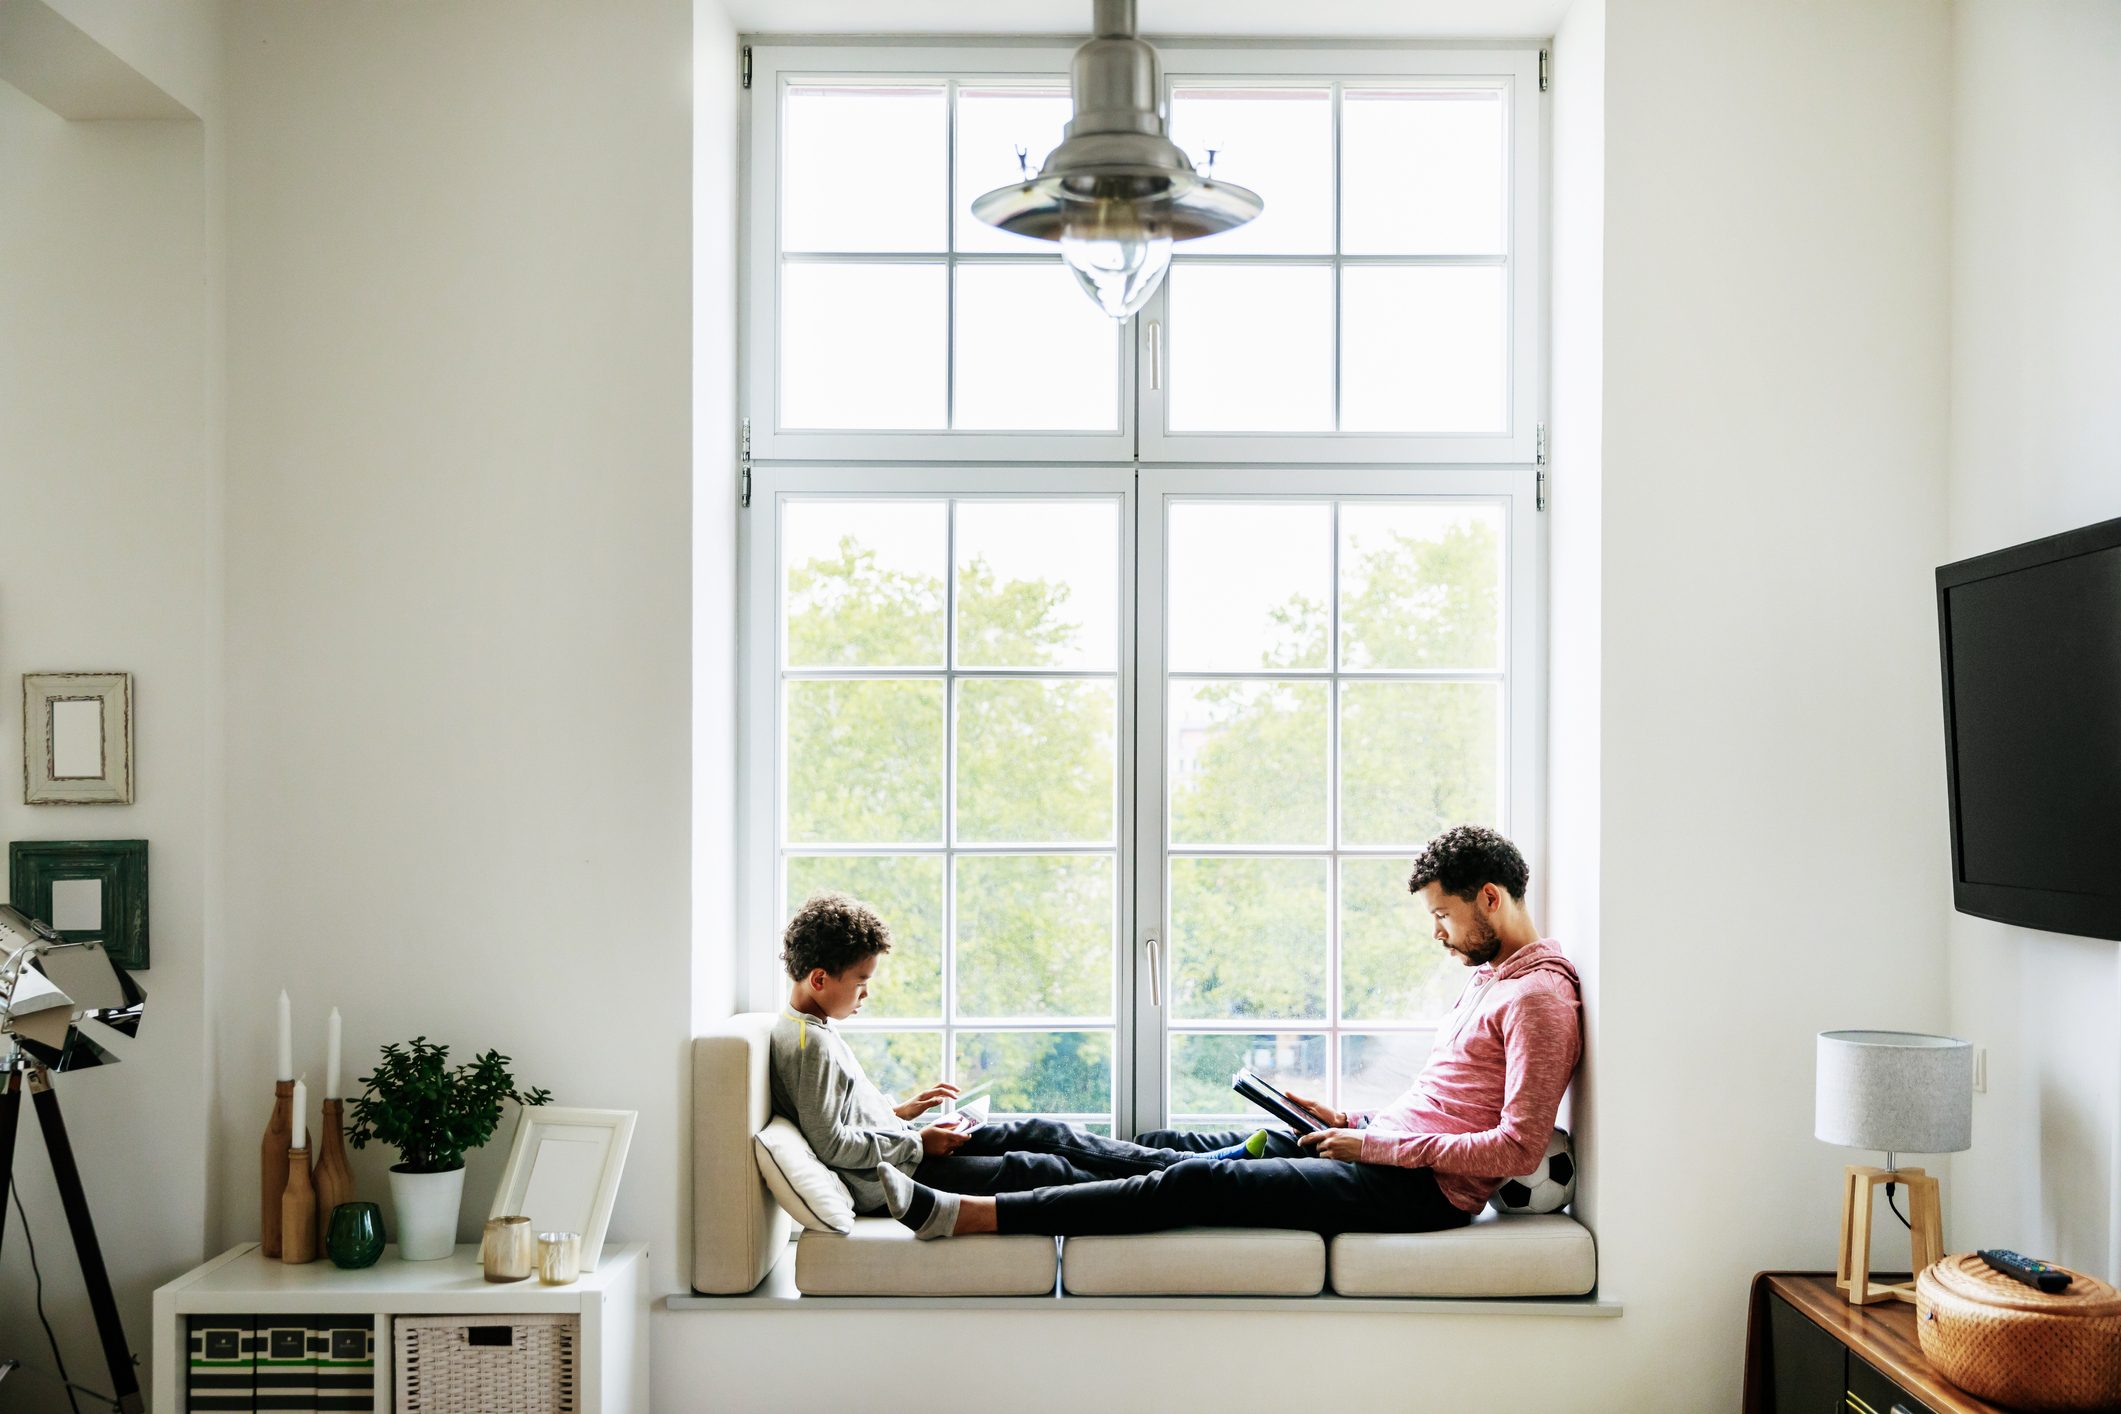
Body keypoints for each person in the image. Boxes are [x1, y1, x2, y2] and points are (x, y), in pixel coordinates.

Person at [877, 824, 1583, 1242]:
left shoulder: (1539, 1000)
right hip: (1379, 1151)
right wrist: (1351, 1119)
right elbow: (1449, 1103)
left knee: (1192, 1183)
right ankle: (951, 1142)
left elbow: (1516, 1147)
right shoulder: (1490, 980)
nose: (1438, 932)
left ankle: (972, 1216)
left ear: (1488, 898)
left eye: (1442, 915)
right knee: (1165, 1147)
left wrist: (1371, 1143)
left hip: (1415, 1191)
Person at [768, 893, 1263, 1220]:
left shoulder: (814, 1030)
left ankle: (1186, 1162)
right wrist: (919, 1144)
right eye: (861, 983)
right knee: (1039, 1168)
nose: (865, 995)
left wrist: (903, 1112)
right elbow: (833, 1145)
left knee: (1040, 1133)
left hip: (906, 1150)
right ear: (819, 979)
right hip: (900, 1175)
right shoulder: (808, 1045)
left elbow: (839, 1117)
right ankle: (1191, 1177)